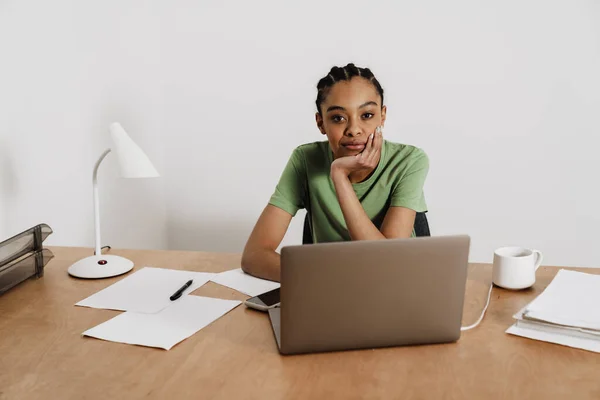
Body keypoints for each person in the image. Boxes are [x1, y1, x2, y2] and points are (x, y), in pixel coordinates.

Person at [241, 63, 429, 282]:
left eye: (367, 115)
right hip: (327, 292)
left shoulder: (409, 161)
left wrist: (339, 177)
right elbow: (254, 255)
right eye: (338, 118)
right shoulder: (305, 160)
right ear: (321, 123)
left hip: (395, 288)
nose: (354, 130)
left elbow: (384, 264)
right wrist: (323, 279)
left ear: (382, 116)